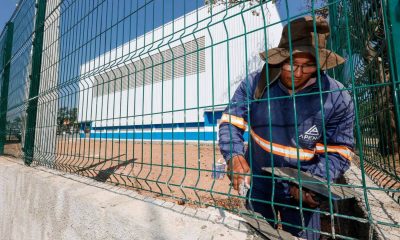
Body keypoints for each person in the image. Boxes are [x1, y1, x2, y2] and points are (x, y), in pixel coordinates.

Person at [218, 16, 355, 239]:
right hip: (259, 182)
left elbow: (340, 151)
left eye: (308, 65)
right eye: (291, 62)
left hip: (302, 189)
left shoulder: (337, 98)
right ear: (281, 57)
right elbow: (231, 122)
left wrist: (312, 182)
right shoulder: (255, 84)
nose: (298, 73)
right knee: (255, 233)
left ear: (320, 64)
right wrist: (233, 154)